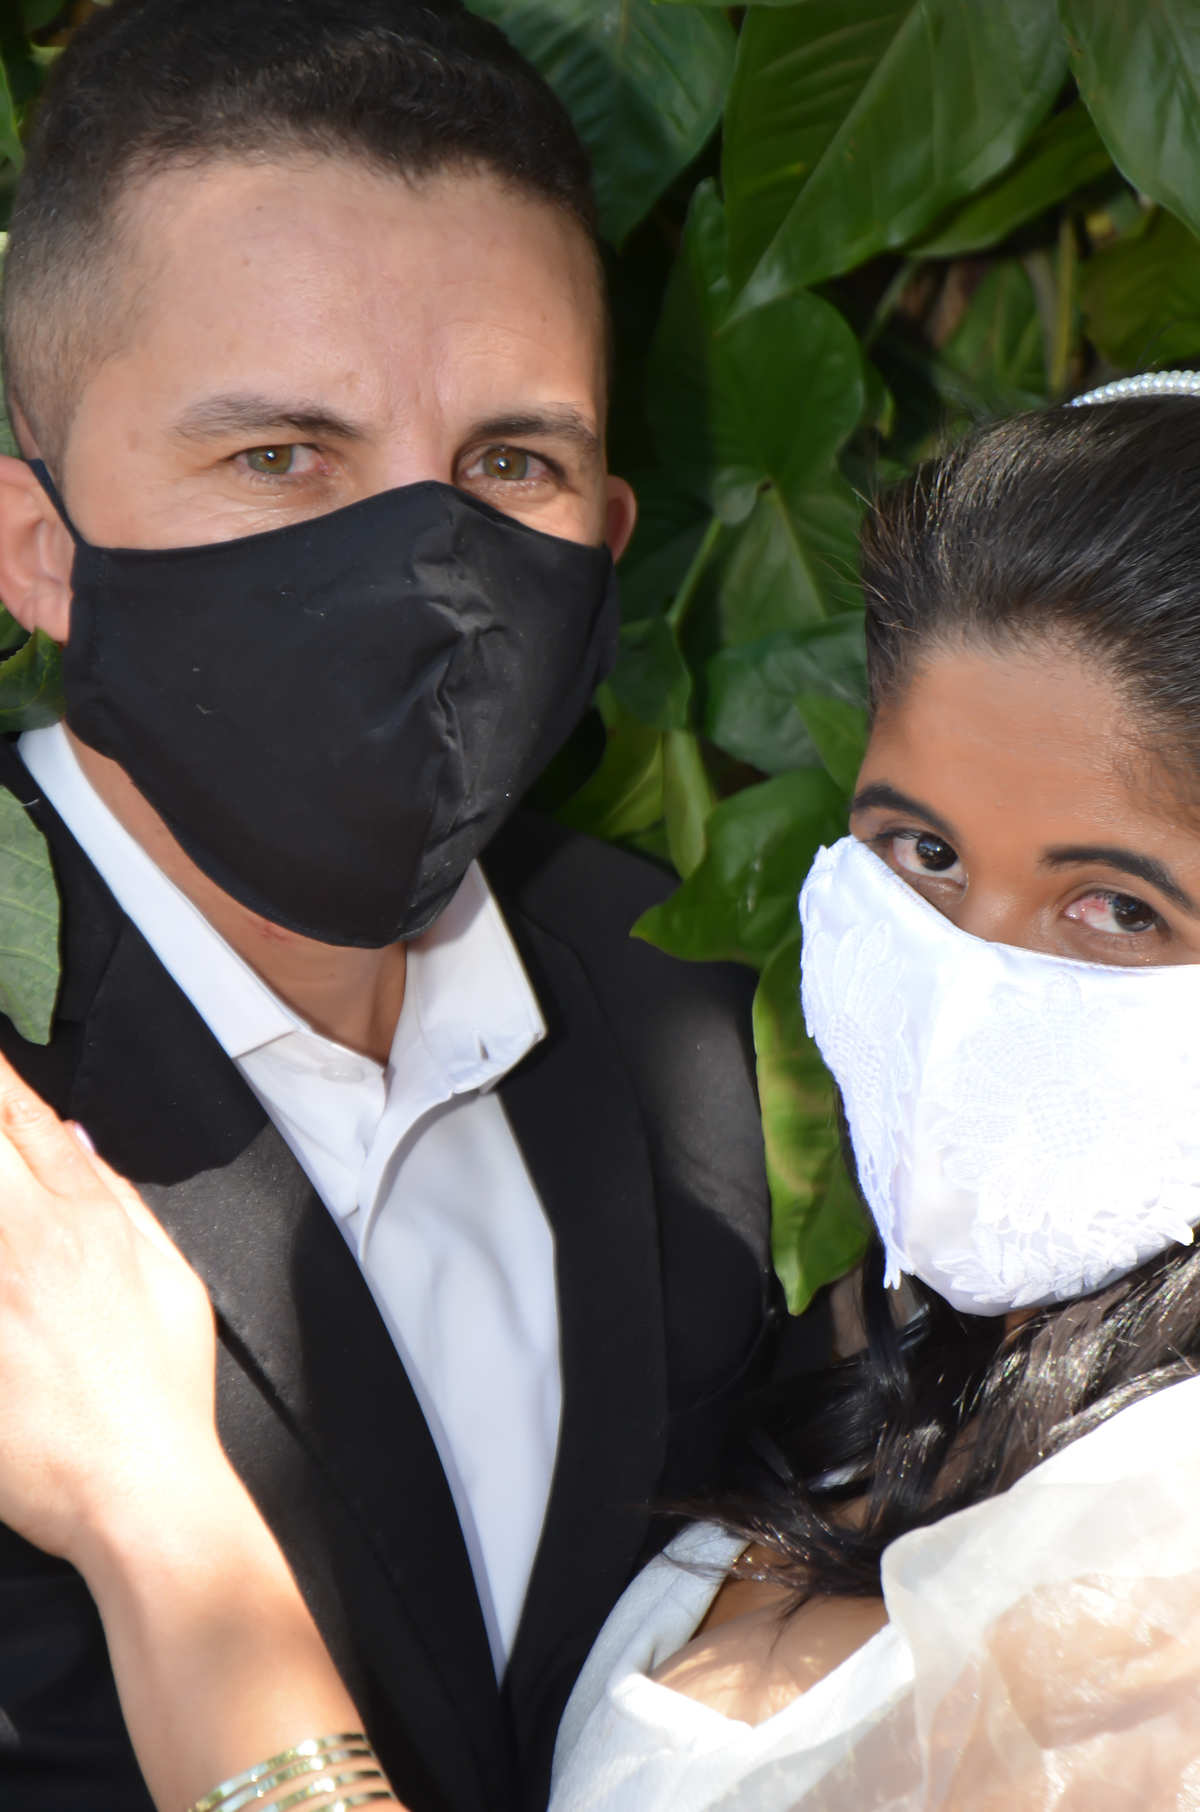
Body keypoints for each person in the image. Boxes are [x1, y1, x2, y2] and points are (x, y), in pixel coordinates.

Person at [0, 4, 777, 1810]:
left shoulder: (684, 1011)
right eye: (280, 457)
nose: (428, 573)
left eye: (511, 466)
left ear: (607, 537)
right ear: (40, 548)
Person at [547, 384, 1200, 1808]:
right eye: (925, 852)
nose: (967, 983)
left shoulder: (1165, 1572)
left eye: (1117, 908)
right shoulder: (890, 1355)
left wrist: (181, 1568)